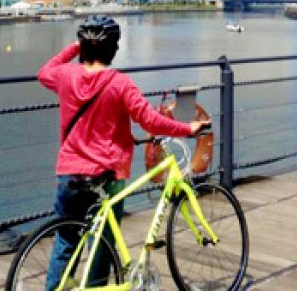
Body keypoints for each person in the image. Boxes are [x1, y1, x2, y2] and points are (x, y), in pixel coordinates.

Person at [37, 15, 210, 290]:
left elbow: (44, 71)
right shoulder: (119, 83)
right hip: (107, 173)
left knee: (66, 238)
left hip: (68, 172)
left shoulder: (65, 76)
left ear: (85, 46)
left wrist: (77, 46)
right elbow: (150, 121)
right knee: (102, 244)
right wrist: (187, 128)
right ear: (113, 49)